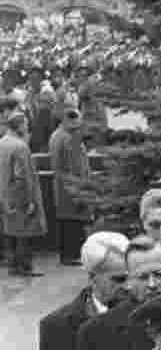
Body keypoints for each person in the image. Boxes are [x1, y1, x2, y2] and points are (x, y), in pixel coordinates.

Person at [0, 108, 46, 276]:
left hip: (5, 195)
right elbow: (23, 177)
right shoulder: (20, 146)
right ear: (19, 126)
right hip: (19, 197)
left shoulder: (2, 142)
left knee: (10, 232)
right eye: (26, 124)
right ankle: (24, 267)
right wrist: (30, 201)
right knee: (24, 233)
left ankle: (13, 266)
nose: (27, 127)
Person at [49, 106, 92, 265]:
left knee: (72, 222)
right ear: (67, 120)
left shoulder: (62, 136)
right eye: (75, 123)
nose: (78, 126)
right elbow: (68, 166)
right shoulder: (64, 138)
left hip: (69, 185)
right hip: (69, 186)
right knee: (70, 223)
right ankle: (70, 255)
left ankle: (72, 254)